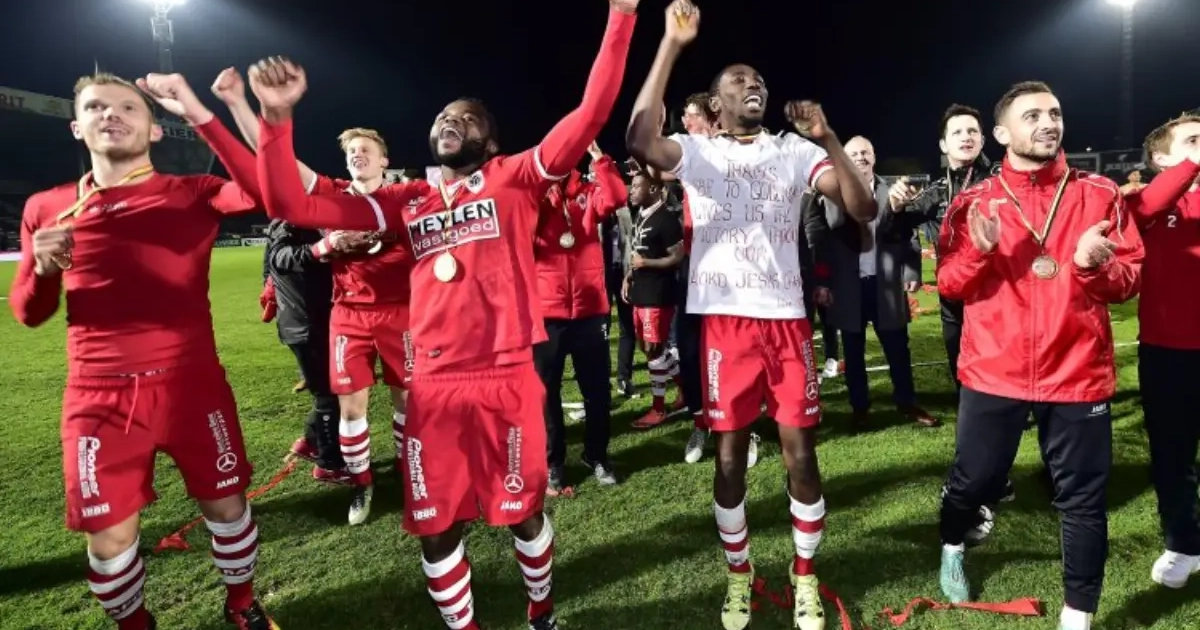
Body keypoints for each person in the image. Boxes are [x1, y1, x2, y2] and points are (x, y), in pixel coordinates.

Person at [201, 4, 637, 628]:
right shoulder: (408, 201)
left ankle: (540, 608)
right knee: (434, 525)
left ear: (489, 142)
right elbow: (293, 200)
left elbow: (590, 113)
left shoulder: (515, 177)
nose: (449, 121)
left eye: (466, 118)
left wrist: (621, 13)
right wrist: (274, 117)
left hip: (506, 376)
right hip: (430, 385)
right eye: (442, 117)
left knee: (522, 514)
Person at [625, 3, 877, 629]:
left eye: (758, 79)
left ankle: (804, 575)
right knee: (730, 458)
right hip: (725, 326)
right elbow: (639, 140)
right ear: (716, 105)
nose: (752, 84)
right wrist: (670, 44)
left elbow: (863, 209)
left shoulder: (794, 151)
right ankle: (739, 575)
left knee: (802, 457)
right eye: (738, 81)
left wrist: (828, 138)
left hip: (786, 323)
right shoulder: (697, 152)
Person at [8, 72, 279, 630]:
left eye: (127, 108)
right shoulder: (46, 207)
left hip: (192, 386)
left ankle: (242, 604)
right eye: (96, 107)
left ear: (156, 129)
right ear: (76, 127)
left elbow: (267, 190)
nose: (111, 115)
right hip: (98, 399)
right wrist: (42, 271)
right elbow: (29, 313)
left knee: (228, 508)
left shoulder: (194, 193)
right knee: (108, 540)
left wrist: (198, 109)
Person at [935, 81, 1143, 630]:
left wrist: (1095, 265)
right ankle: (952, 544)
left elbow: (1129, 281)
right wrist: (979, 254)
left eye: (1054, 113)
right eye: (1032, 116)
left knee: (1083, 501)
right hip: (993, 370)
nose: (1048, 123)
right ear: (1002, 133)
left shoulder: (1100, 194)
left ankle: (1078, 614)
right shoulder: (974, 201)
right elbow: (950, 285)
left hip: (1077, 372)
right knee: (972, 480)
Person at [214, 69, 411, 525]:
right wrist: (239, 104)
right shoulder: (333, 195)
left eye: (366, 150)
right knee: (351, 407)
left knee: (406, 402)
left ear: (384, 160)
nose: (358, 155)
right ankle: (361, 484)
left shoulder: (408, 197)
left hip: (401, 315)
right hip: (348, 316)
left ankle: (407, 472)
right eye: (351, 151)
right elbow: (277, 159)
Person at [811, 135, 937, 429]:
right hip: (848, 287)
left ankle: (907, 403)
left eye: (865, 152)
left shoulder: (891, 192)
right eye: (854, 154)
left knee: (898, 349)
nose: (860, 158)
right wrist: (822, 282)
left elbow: (907, 235)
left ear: (874, 157)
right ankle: (860, 408)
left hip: (886, 285)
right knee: (853, 353)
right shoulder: (831, 193)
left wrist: (912, 272)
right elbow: (821, 241)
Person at [1128, 113, 1200, 588]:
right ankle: (1184, 544)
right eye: (1192, 141)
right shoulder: (1146, 202)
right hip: (1168, 353)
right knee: (1173, 457)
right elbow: (1146, 207)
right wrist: (1190, 167)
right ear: (1161, 158)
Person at [534, 140, 627, 493]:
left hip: (589, 311)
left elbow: (617, 197)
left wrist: (601, 160)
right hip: (547, 313)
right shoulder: (536, 198)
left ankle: (597, 455)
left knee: (597, 390)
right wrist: (541, 190)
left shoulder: (587, 194)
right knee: (546, 393)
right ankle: (553, 463)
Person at [889, 104, 996, 394]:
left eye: (972, 131)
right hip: (953, 298)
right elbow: (894, 232)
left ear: (983, 140)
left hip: (996, 293)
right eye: (957, 132)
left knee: (1000, 372)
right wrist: (895, 208)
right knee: (961, 371)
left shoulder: (1001, 181)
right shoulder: (936, 191)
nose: (966, 136)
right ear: (943, 144)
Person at [264, 218, 348, 485]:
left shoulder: (304, 224)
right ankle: (329, 465)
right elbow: (279, 258)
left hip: (312, 322)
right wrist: (320, 248)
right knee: (329, 395)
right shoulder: (288, 223)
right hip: (305, 327)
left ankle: (311, 442)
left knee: (332, 390)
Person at [622, 168, 686, 429]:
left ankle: (658, 409)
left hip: (658, 293)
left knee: (653, 350)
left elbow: (678, 256)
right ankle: (687, 389)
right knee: (649, 349)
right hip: (641, 290)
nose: (631, 191)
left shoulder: (666, 219)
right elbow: (639, 251)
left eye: (637, 186)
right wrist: (629, 275)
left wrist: (646, 263)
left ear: (653, 189)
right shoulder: (641, 213)